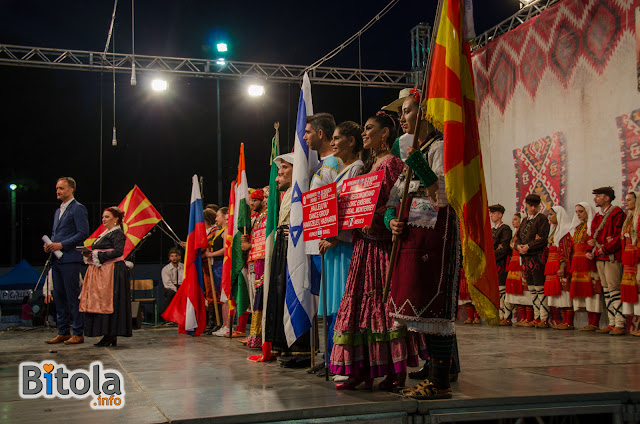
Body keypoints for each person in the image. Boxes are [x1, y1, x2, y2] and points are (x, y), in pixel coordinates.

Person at [329, 112, 408, 391]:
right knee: (357, 307)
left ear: (385, 133)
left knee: (381, 307)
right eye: (363, 128)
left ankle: (394, 371)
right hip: (363, 245)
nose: (364, 133)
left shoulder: (392, 164)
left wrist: (371, 219)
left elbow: (395, 204)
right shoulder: (366, 167)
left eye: (369, 128)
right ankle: (360, 369)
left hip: (380, 246)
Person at [386, 106, 459, 399]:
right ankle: (432, 374)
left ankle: (440, 381)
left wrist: (421, 164)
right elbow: (394, 198)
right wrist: (389, 220)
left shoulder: (439, 146)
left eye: (407, 111)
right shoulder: (414, 152)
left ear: (426, 113)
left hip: (433, 237)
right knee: (419, 306)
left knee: (434, 309)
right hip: (411, 236)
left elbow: (443, 195)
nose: (402, 118)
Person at [314, 121, 365, 377]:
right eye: (331, 138)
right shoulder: (344, 171)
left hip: (346, 246)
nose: (332, 143)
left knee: (347, 307)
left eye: (337, 138)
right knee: (335, 309)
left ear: (351, 141)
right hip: (335, 245)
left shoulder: (357, 169)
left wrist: (335, 238)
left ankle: (350, 363)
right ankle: (337, 359)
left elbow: (353, 211)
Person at [44, 177, 90, 345]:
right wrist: (50, 245)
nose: (58, 191)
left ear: (71, 190)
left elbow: (83, 232)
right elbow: (57, 234)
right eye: (57, 188)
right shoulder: (58, 210)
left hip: (70, 259)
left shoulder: (78, 208)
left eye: (61, 188)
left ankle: (78, 332)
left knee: (72, 296)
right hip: (57, 260)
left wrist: (61, 244)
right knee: (59, 296)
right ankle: (63, 331)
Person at [80, 206, 132, 346]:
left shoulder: (117, 233)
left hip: (112, 272)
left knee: (110, 302)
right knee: (102, 302)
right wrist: (89, 254)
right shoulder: (105, 233)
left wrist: (96, 255)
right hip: (103, 272)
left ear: (116, 219)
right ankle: (107, 334)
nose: (104, 219)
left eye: (107, 217)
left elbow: (118, 251)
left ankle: (111, 335)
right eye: (103, 217)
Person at [264, 153, 297, 352]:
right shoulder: (287, 194)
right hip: (282, 244)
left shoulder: (300, 191)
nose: (278, 177)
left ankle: (295, 344)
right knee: (279, 290)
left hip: (291, 244)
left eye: (284, 169)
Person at [587, 186, 626, 335]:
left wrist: (606, 247)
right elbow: (592, 237)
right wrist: (588, 251)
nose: (595, 199)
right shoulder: (598, 217)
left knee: (614, 289)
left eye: (598, 196)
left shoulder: (616, 213)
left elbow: (618, 236)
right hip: (599, 257)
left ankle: (620, 323)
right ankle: (611, 322)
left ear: (607, 198)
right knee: (606, 291)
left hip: (611, 257)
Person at [515, 194, 550, 328]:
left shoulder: (542, 219)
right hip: (525, 258)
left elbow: (542, 238)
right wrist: (519, 246)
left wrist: (528, 246)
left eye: (534, 206)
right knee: (532, 288)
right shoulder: (524, 220)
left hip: (536, 257)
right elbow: (518, 237)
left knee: (539, 287)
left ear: (537, 207)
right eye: (530, 206)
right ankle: (536, 316)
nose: (531, 208)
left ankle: (544, 317)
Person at [569, 202, 603, 331]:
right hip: (577, 263)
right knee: (583, 293)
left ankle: (595, 322)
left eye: (581, 211)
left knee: (592, 292)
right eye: (576, 212)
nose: (578, 214)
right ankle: (590, 322)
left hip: (589, 262)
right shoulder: (578, 228)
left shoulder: (592, 227)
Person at [242, 189, 268, 348]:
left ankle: (261, 335)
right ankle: (254, 335)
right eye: (252, 201)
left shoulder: (268, 217)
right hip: (253, 260)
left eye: (255, 200)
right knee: (253, 300)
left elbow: (267, 239)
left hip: (262, 261)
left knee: (260, 298)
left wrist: (249, 245)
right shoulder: (257, 218)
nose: (252, 203)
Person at [544, 206, 573, 329]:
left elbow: (566, 251)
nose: (550, 217)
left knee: (564, 291)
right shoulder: (553, 229)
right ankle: (559, 320)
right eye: (549, 215)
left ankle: (568, 321)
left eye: (551, 214)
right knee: (555, 294)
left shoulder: (566, 230)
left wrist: (563, 265)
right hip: (551, 263)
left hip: (560, 263)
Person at [506, 213, 534, 325]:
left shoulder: (523, 233)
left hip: (521, 262)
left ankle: (529, 318)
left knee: (524, 290)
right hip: (513, 263)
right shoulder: (514, 234)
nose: (513, 222)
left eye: (516, 219)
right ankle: (522, 318)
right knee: (516, 292)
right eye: (512, 219)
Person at [620, 192, 640, 334]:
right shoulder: (628, 219)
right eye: (625, 200)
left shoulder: (638, 219)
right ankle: (633, 325)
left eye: (629, 200)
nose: (626, 202)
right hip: (629, 259)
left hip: (636, 257)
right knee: (631, 289)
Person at [490, 204, 513, 325]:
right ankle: (499, 314)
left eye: (493, 213)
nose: (491, 215)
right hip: (494, 264)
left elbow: (503, 248)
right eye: (491, 213)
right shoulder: (493, 230)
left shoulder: (505, 229)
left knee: (503, 290)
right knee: (497, 291)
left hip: (502, 263)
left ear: (500, 214)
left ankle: (506, 316)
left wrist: (491, 254)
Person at [211, 208, 230, 336]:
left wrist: (210, 254)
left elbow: (225, 249)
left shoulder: (227, 230)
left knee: (226, 297)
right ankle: (224, 325)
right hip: (217, 265)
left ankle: (228, 326)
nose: (216, 219)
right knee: (222, 298)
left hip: (223, 265)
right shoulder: (220, 231)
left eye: (218, 216)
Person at [202, 209, 221, 334]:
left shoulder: (215, 231)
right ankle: (212, 320)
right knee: (209, 294)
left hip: (214, 265)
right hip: (205, 266)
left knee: (216, 293)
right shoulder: (205, 232)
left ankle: (217, 321)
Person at [161, 247, 184, 313]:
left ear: (179, 257)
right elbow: (167, 283)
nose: (174, 258)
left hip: (182, 287)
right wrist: (177, 290)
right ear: (169, 258)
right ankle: (168, 317)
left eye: (176, 256)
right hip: (172, 288)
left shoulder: (184, 267)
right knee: (170, 293)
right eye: (172, 256)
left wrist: (181, 289)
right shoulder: (166, 269)